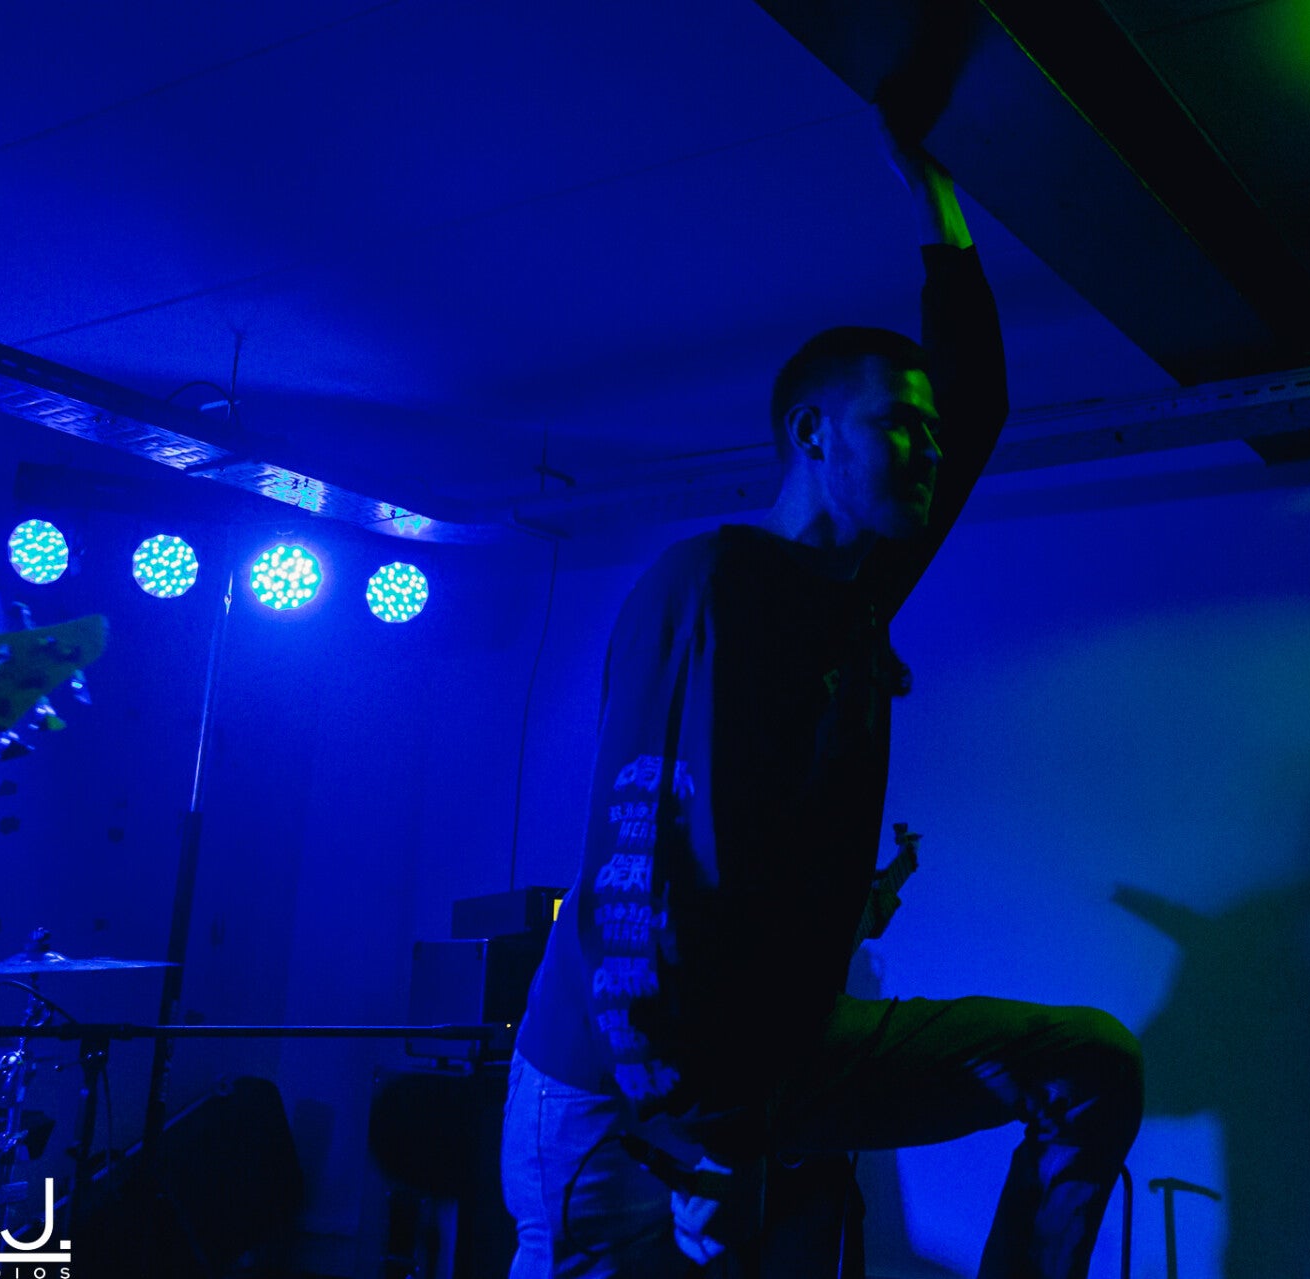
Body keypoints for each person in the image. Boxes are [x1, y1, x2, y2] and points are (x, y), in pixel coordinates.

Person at [502, 117, 1143, 1278]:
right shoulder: (712, 587)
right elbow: (643, 884)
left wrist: (941, 215)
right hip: (622, 1096)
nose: (929, 451)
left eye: (929, 435)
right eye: (898, 427)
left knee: (1087, 1067)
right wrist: (699, 1137)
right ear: (810, 433)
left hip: (768, 1053)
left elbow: (975, 408)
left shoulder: (848, 597)